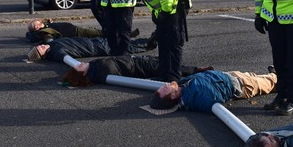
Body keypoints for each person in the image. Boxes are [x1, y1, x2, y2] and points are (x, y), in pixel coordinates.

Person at [115, 0, 193, 82]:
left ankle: (174, 78)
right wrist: (157, 15)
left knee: (173, 43)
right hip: (167, 8)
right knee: (163, 42)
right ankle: (164, 74)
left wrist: (164, 13)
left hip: (176, 6)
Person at [148, 68, 293, 114]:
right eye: (165, 89)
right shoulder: (194, 98)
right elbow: (215, 106)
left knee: (258, 77)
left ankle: (275, 74)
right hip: (240, 86)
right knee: (270, 84)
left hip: (231, 76)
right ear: (172, 95)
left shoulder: (182, 86)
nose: (165, 85)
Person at [60, 55, 211, 87]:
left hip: (137, 62)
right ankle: (198, 72)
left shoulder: (94, 67)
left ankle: (195, 70)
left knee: (167, 62)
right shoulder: (100, 72)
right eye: (79, 67)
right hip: (139, 67)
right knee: (167, 66)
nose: (80, 63)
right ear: (83, 74)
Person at [26, 35, 156, 64]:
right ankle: (151, 43)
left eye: (38, 47)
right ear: (43, 56)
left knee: (125, 42)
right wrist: (78, 66)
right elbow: (66, 59)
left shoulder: (52, 44)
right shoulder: (55, 53)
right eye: (40, 50)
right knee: (128, 47)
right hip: (97, 47)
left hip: (93, 41)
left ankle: (150, 40)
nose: (40, 47)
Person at [25, 18, 139, 44]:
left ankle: (122, 35)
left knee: (97, 32)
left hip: (74, 28)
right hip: (75, 32)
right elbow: (48, 39)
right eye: (35, 27)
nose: (37, 26)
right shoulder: (44, 31)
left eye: (36, 24)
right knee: (99, 33)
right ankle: (127, 35)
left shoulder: (45, 24)